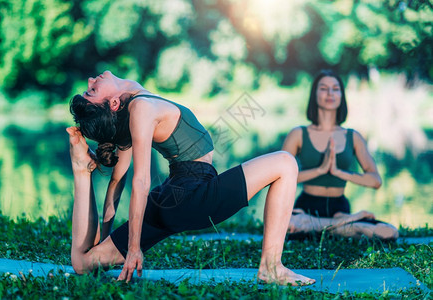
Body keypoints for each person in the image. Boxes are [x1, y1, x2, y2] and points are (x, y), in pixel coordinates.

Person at [67, 70, 315, 285]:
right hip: (191, 196)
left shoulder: (130, 105)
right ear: (111, 103)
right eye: (91, 91)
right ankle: (270, 268)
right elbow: (138, 181)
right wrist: (132, 248)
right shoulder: (140, 109)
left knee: (83, 262)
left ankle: (82, 170)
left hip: (170, 198)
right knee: (285, 162)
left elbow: (115, 184)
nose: (91, 81)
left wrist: (105, 240)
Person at [282, 70, 399, 240]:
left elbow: (375, 180)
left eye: (335, 89)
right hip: (306, 205)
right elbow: (278, 177)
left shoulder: (353, 137)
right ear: (314, 94)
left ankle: (311, 225)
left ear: (341, 96)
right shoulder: (298, 134)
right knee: (288, 224)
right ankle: (344, 224)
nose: (330, 93)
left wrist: (339, 173)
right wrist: (320, 170)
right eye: (323, 88)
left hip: (339, 209)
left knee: (389, 232)